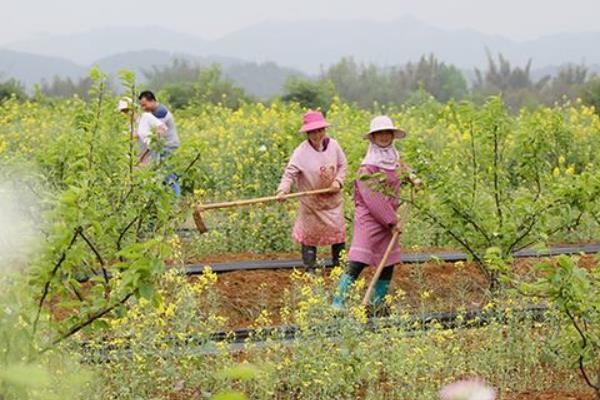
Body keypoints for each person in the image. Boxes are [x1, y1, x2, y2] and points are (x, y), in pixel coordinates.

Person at [332, 115, 421, 310]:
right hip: (371, 219)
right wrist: (391, 221)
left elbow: (403, 170)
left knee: (387, 262)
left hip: (390, 219)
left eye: (387, 133)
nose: (384, 136)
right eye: (379, 133)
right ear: (373, 137)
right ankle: (338, 303)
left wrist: (413, 178)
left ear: (392, 136)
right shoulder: (367, 167)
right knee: (359, 259)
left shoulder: (394, 158)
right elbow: (374, 200)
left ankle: (377, 304)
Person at [276, 110, 348, 274]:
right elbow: (290, 173)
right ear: (307, 133)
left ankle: (339, 266)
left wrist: (338, 180)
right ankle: (310, 269)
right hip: (312, 203)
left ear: (324, 130)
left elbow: (343, 165)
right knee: (309, 235)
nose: (317, 134)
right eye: (312, 131)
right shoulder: (301, 152)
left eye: (319, 130)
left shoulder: (334, 146)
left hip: (332, 202)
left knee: (337, 232)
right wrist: (283, 189)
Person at [117, 96, 180, 196]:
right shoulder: (131, 126)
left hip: (157, 153)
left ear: (134, 108)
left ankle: (176, 203)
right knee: (151, 183)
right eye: (124, 112)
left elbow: (162, 128)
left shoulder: (146, 117)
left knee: (168, 178)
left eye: (127, 110)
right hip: (144, 158)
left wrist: (155, 140)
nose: (126, 113)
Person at [139, 91, 181, 196]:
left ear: (152, 101)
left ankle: (175, 201)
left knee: (169, 176)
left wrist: (145, 154)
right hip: (164, 147)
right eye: (141, 106)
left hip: (168, 146)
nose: (143, 108)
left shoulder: (160, 112)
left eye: (145, 105)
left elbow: (157, 135)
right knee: (163, 176)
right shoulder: (154, 112)